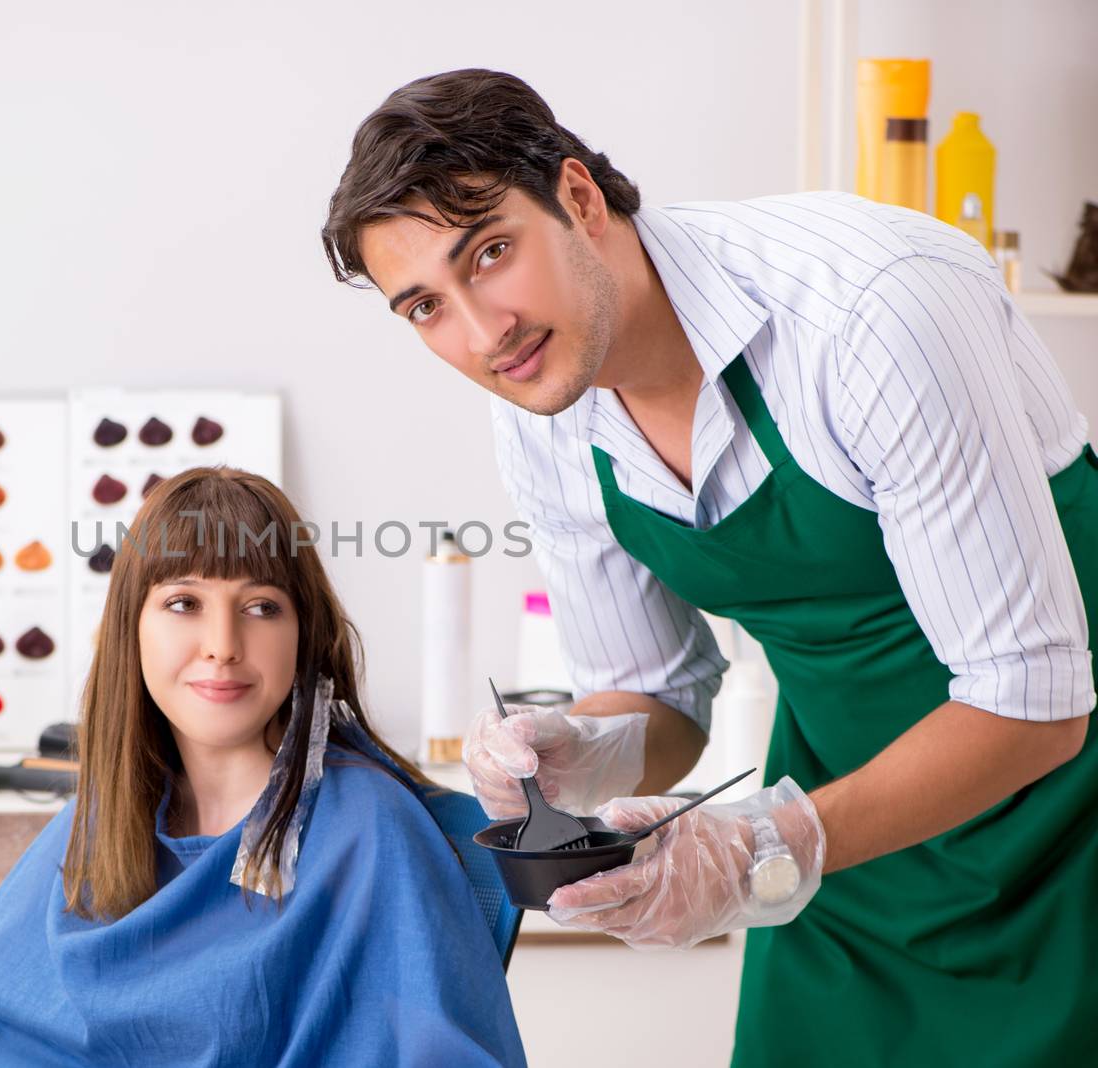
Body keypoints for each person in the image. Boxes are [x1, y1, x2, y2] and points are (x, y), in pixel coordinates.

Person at [322, 68, 1097, 1067]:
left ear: (580, 198)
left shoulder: (870, 311)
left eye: (492, 253)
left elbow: (1035, 703)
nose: (483, 333)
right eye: (425, 305)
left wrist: (761, 847)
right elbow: (665, 700)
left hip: (1068, 816)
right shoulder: (544, 411)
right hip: (853, 831)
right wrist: (580, 749)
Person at [0, 466, 526, 1067]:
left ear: (304, 634)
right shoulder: (110, 813)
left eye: (261, 607)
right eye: (183, 604)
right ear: (131, 629)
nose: (222, 645)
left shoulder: (366, 828)